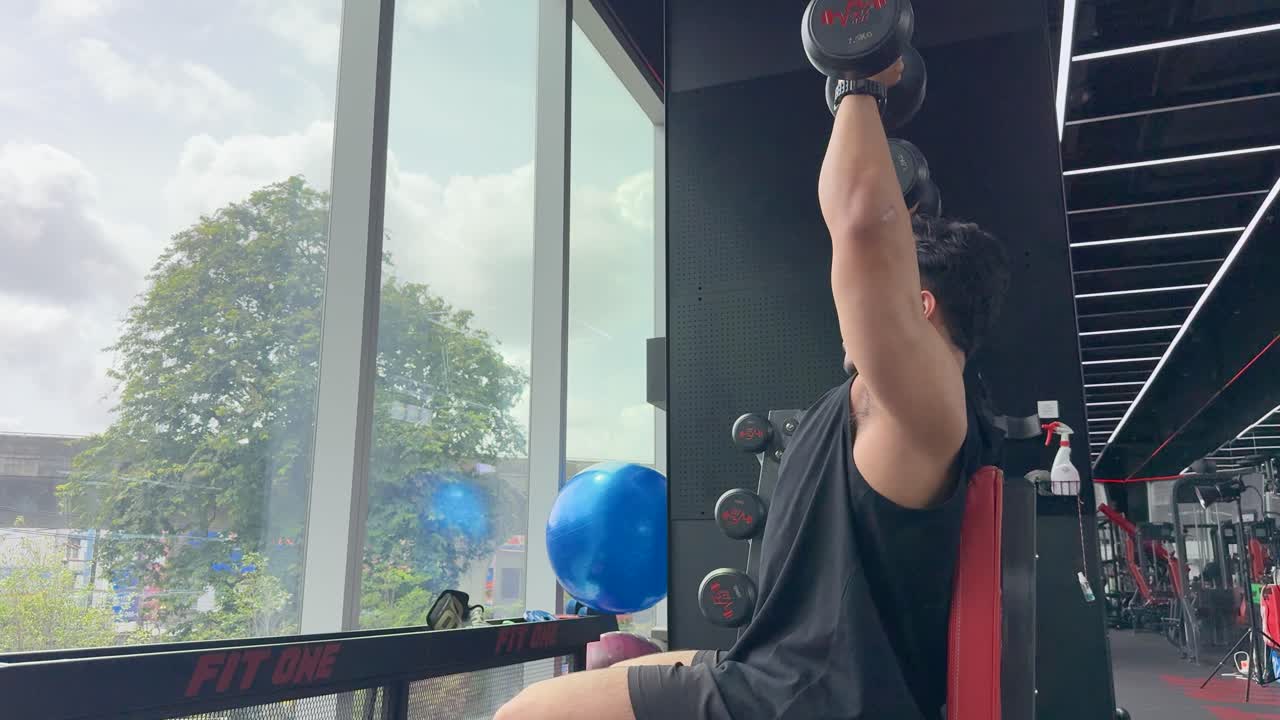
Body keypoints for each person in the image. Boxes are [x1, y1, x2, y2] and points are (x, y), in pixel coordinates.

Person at [494, 58, 1010, 720]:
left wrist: (860, 81)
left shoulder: (928, 405)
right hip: (771, 670)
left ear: (922, 305)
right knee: (621, 663)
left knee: (523, 716)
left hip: (806, 701)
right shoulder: (899, 408)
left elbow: (860, 223)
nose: (850, 318)